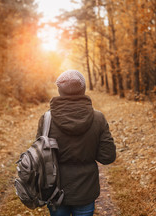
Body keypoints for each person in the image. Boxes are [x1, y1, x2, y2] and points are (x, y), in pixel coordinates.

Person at [36, 69, 116, 216]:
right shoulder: (98, 118)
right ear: (83, 89)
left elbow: (39, 155)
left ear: (59, 91)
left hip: (54, 189)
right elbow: (108, 157)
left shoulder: (47, 119)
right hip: (85, 190)